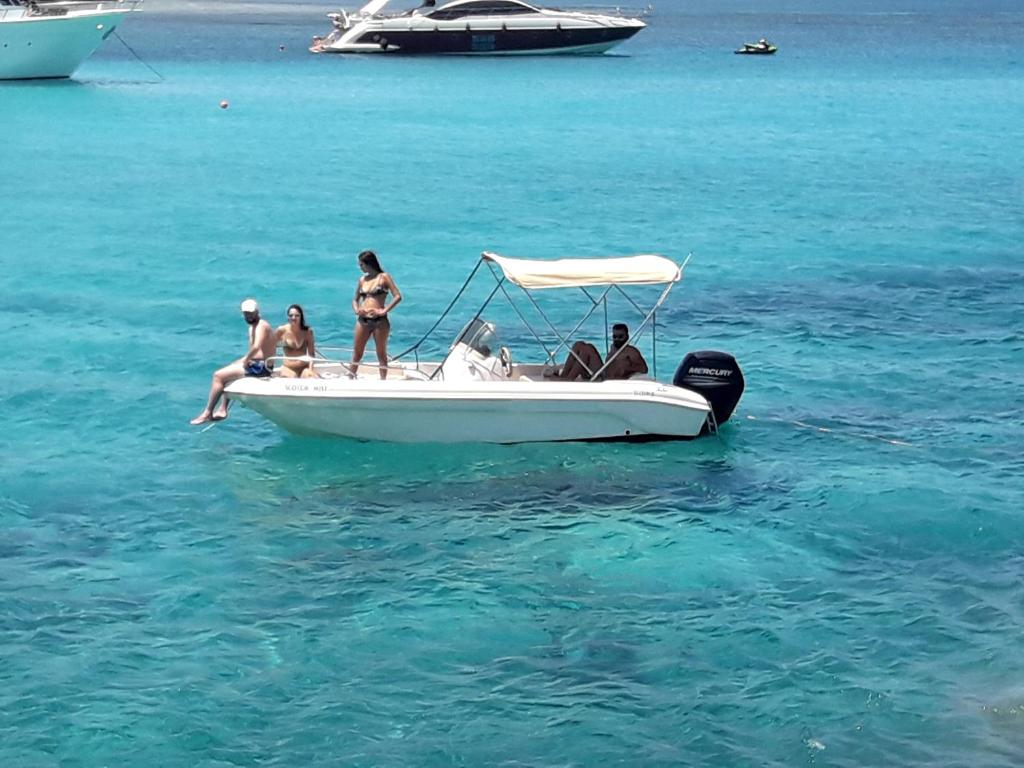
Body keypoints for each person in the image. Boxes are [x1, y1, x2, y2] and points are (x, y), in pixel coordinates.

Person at [190, 298, 276, 425]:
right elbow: (257, 352)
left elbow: (256, 347)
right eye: (246, 313)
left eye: (251, 313)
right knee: (230, 368)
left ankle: (208, 413)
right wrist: (241, 361)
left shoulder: (261, 326)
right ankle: (223, 409)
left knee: (218, 376)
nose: (248, 316)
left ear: (257, 311)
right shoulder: (254, 326)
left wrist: (246, 361)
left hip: (262, 367)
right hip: (258, 363)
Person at [350, 249, 402, 379]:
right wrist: (357, 309)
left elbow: (397, 296)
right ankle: (351, 376)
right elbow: (355, 299)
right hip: (363, 320)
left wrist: (384, 310)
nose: (360, 267)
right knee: (357, 352)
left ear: (369, 264)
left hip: (380, 320)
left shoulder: (384, 277)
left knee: (381, 353)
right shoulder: (362, 280)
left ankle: (383, 380)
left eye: (361, 264)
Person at [546, 323, 648, 381]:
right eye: (615, 337)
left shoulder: (631, 352)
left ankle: (569, 379)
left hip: (606, 379)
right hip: (601, 373)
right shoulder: (614, 347)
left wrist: (626, 369)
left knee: (588, 350)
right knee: (579, 345)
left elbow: (644, 368)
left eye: (620, 337)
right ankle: (565, 376)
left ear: (627, 337)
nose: (617, 339)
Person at [276, 304, 319, 378]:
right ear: (288, 317)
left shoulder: (307, 332)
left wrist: (310, 369)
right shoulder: (281, 330)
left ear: (301, 316)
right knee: (293, 378)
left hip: (304, 367)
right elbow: (271, 345)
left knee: (312, 378)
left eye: (297, 315)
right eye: (291, 315)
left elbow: (311, 354)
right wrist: (284, 344)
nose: (293, 318)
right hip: (288, 368)